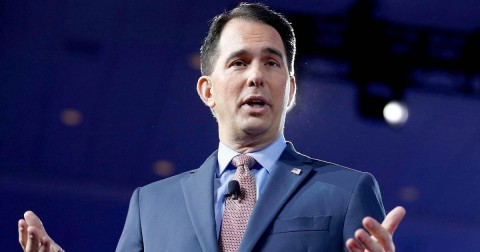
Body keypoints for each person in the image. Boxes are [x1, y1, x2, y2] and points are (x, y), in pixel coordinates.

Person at [18, 2, 406, 252]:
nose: (256, 76)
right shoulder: (150, 205)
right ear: (207, 90)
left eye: (272, 63)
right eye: (239, 63)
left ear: (289, 90)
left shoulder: (347, 191)